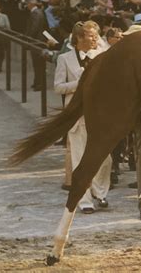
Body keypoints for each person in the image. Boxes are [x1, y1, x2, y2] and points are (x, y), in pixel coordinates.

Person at [54, 21, 112, 214]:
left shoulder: (103, 57)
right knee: (79, 158)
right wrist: (79, 84)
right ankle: (83, 199)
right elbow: (58, 87)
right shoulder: (64, 59)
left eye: (96, 35)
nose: (95, 38)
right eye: (90, 35)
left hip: (101, 114)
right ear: (78, 38)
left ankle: (101, 192)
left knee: (105, 158)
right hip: (77, 117)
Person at [0, 2, 11, 74]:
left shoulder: (4, 16)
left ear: (0, 9)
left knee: (1, 53)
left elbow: (8, 27)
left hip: (2, 37)